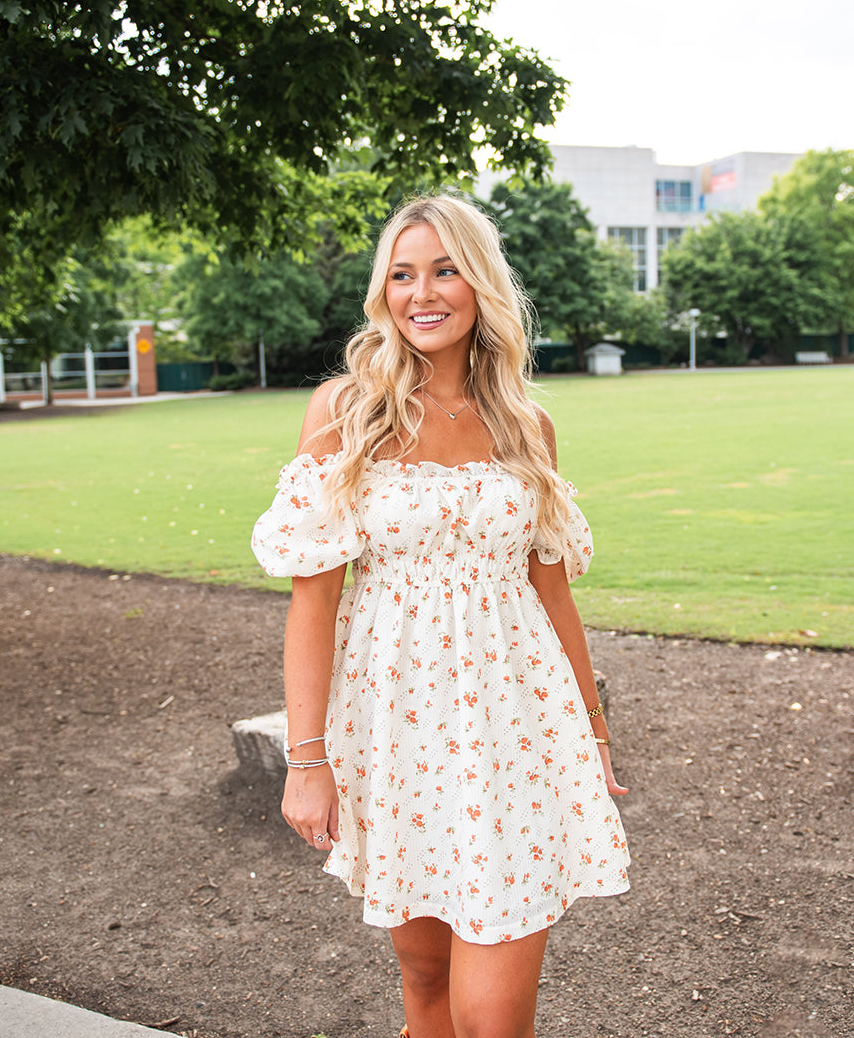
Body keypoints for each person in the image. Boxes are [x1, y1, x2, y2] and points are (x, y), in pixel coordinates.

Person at [251, 195, 629, 1038]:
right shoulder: (345, 414)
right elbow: (314, 601)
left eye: (446, 269)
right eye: (402, 273)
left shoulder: (527, 426)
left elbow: (553, 593)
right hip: (395, 735)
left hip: (514, 735)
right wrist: (305, 760)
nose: (423, 292)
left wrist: (593, 734)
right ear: (383, 291)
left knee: (492, 1021)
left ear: (481, 283)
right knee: (424, 989)